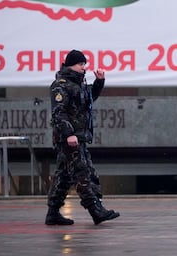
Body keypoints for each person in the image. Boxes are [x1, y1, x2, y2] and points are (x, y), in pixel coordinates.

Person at [45, 50, 120, 225]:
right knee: (83, 173)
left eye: (84, 64)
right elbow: (58, 113)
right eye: (81, 64)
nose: (84, 68)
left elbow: (89, 100)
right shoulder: (60, 85)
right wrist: (69, 134)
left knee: (63, 176)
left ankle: (52, 213)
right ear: (71, 64)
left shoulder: (78, 84)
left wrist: (99, 82)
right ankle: (96, 210)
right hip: (70, 139)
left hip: (79, 137)